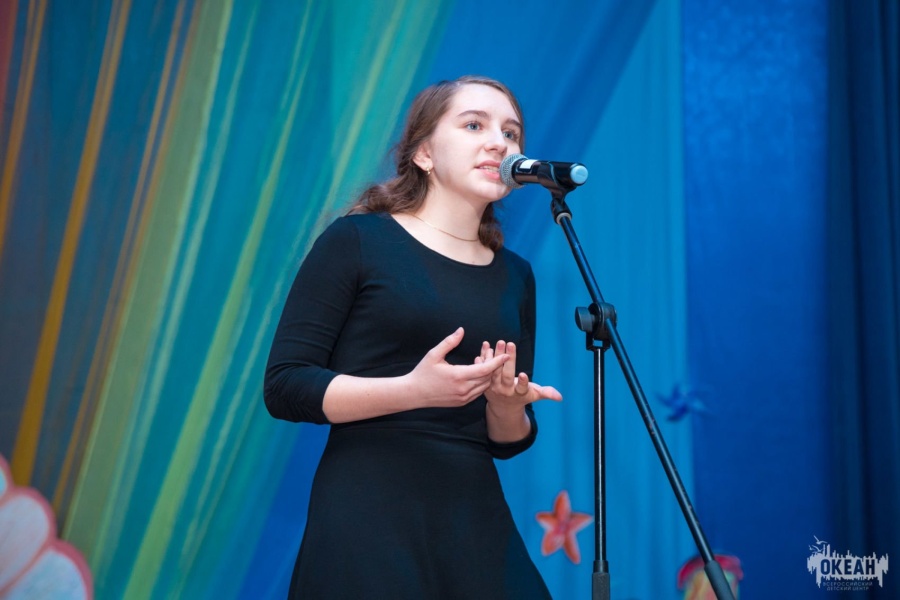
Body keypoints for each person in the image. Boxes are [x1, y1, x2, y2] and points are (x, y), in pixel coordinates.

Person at [264, 75, 562, 599]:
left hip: (471, 515)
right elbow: (285, 386)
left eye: (511, 133)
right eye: (474, 125)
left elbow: (508, 442)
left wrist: (506, 406)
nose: (499, 143)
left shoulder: (516, 275)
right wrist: (414, 390)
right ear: (423, 153)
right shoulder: (357, 240)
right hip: (367, 510)